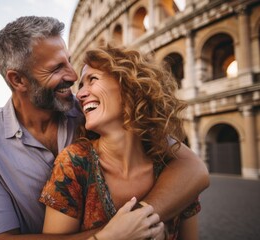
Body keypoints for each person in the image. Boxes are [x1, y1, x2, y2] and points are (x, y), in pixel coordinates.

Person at [0, 16, 209, 240]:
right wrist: (112, 235)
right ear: (18, 79)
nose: (74, 78)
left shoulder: (96, 115)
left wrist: (143, 220)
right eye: (56, 68)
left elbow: (192, 167)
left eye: (69, 62)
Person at [40, 45, 202, 240]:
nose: (80, 95)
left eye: (92, 79)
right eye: (81, 86)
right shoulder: (73, 163)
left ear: (129, 86)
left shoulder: (172, 168)